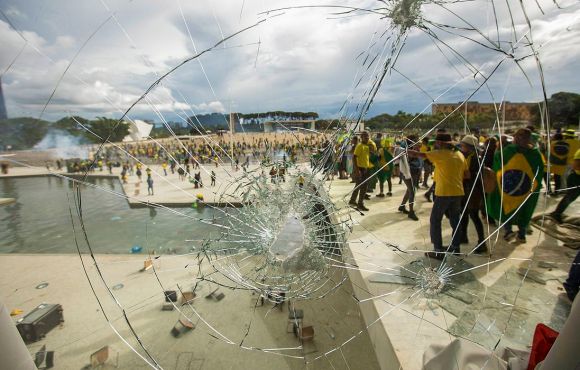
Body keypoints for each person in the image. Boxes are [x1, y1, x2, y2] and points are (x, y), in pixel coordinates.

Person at [410, 133, 468, 259]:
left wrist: (402, 150)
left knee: (435, 220)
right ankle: (455, 247)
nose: (435, 144)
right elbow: (467, 174)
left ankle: (438, 251)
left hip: (444, 193)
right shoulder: (459, 155)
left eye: (436, 142)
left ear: (441, 143)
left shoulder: (440, 153)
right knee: (455, 220)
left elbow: (417, 154)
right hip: (458, 192)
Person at [486, 128, 544, 243]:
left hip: (510, 188)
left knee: (508, 208)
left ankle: (510, 232)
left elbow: (497, 163)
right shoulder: (535, 154)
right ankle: (520, 234)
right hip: (524, 189)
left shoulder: (509, 151)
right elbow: (539, 172)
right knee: (522, 209)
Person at [457, 135, 487, 254]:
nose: (461, 147)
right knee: (463, 213)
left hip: (473, 191)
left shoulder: (476, 158)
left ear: (469, 147)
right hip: (467, 190)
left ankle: (482, 242)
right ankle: (463, 236)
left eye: (463, 145)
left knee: (474, 216)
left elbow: (473, 176)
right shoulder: (469, 156)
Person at [550, 149, 580, 223]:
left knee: (570, 196)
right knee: (570, 196)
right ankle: (557, 213)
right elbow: (576, 166)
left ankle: (557, 213)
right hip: (576, 177)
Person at [349, 131, 376, 212]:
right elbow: (354, 157)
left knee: (359, 186)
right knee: (363, 187)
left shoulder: (366, 146)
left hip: (365, 168)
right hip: (360, 169)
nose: (367, 138)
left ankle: (353, 200)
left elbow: (368, 155)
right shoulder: (360, 146)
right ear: (362, 137)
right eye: (365, 137)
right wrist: (357, 170)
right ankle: (360, 203)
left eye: (368, 137)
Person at [395, 137, 419, 220]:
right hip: (407, 173)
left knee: (409, 190)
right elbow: (403, 162)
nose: (418, 142)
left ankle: (402, 206)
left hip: (413, 172)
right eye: (416, 141)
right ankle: (411, 212)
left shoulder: (413, 149)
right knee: (412, 191)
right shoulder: (406, 150)